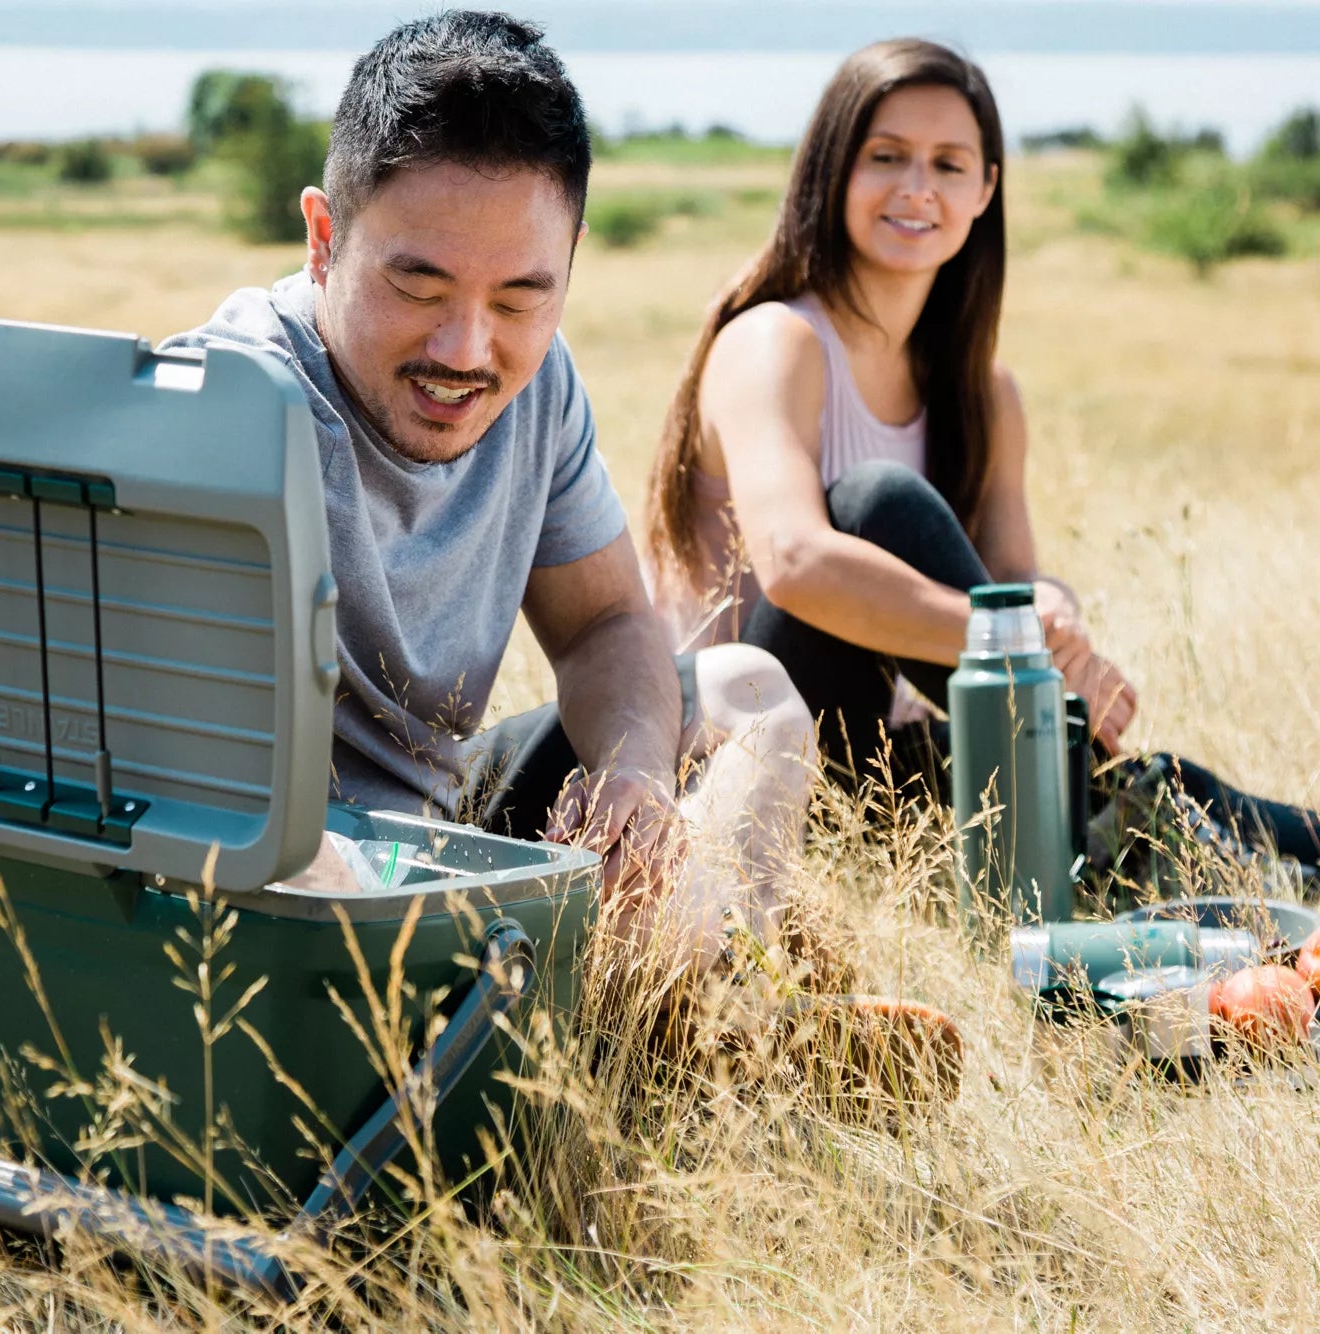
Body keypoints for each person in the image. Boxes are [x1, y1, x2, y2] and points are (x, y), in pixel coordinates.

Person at [641, 39, 1320, 950]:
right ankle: (1089, 800)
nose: (917, 187)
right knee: (879, 504)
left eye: (948, 161)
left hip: (884, 768)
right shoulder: (776, 341)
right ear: (829, 171)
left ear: (987, 189)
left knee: (1160, 789)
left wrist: (1057, 618)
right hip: (746, 756)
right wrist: (1020, 641)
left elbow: (1012, 579)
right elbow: (800, 565)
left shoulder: (982, 393)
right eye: (885, 156)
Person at [159, 13, 840, 980]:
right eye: (419, 287)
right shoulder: (222, 402)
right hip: (299, 871)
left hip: (442, 825)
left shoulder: (542, 385)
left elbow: (606, 620)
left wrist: (635, 774)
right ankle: (664, 1021)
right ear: (323, 237)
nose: (466, 352)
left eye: (520, 299)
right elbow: (168, 771)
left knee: (747, 692)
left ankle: (692, 1002)